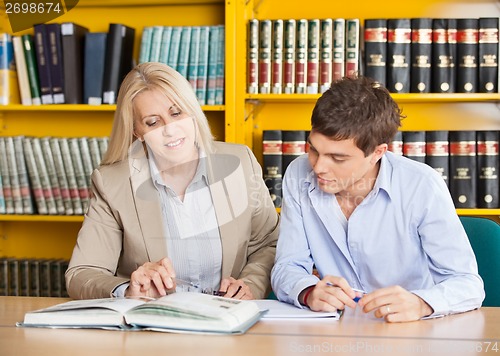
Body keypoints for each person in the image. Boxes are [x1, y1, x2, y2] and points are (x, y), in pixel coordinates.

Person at [271, 75, 485, 322]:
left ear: (377, 153)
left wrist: (421, 303)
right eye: (313, 150)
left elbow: (468, 284)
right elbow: (287, 266)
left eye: (338, 158)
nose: (318, 167)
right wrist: (308, 292)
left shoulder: (422, 185)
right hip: (335, 335)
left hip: (410, 333)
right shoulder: (298, 173)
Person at [66, 62, 279, 300]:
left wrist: (249, 285)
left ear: (192, 111)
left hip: (230, 321)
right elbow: (81, 273)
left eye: (176, 113)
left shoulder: (240, 163)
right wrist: (127, 290)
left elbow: (269, 244)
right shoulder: (112, 183)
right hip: (152, 327)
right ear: (137, 132)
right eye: (152, 122)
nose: (170, 129)